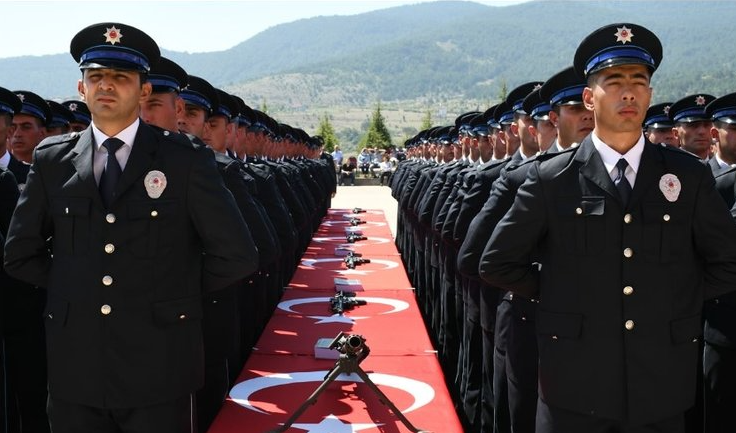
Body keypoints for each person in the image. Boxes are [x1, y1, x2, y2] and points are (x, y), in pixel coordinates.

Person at [480, 23, 736, 433]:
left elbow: (728, 261)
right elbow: (496, 262)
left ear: (650, 95)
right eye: (614, 81)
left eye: (639, 81)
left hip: (661, 387)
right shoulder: (552, 180)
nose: (629, 92)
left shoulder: (687, 177)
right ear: (589, 98)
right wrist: (560, 292)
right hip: (573, 389)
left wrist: (674, 299)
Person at [3, 22, 258, 433]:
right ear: (81, 88)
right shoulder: (52, 160)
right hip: (76, 365)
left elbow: (237, 255)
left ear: (142, 91)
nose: (106, 86)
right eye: (96, 77)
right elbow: (20, 253)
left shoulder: (184, 160)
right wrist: (76, 286)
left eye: (120, 78)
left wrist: (166, 292)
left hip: (159, 364)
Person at [669, 93, 717, 160]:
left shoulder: (726, 168)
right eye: (693, 126)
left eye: (707, 125)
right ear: (676, 133)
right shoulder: (665, 168)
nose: (702, 131)